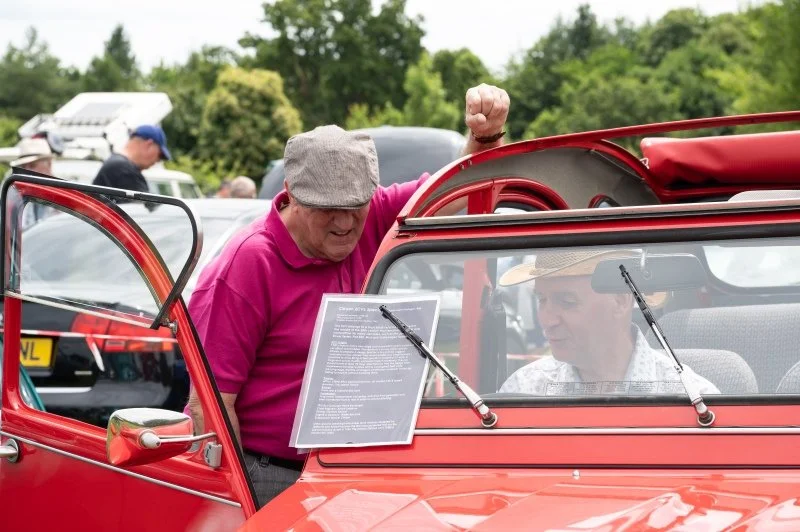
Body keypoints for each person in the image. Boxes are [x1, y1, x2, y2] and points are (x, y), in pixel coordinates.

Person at [186, 83, 510, 507]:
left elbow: (460, 195)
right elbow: (209, 406)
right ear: (294, 196)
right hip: (267, 474)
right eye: (327, 208)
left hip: (348, 468)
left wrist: (485, 137)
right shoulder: (246, 266)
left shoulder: (372, 215)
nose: (344, 223)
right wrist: (240, 504)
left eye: (354, 204)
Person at [497, 249, 720, 396]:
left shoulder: (690, 397)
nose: (547, 319)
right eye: (542, 300)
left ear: (620, 301)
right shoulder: (525, 388)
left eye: (567, 302)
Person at [92, 125, 171, 192]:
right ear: (149, 145)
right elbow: (148, 208)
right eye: (160, 155)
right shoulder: (124, 169)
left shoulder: (117, 164)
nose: (157, 161)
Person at [11, 137, 57, 229]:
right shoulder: (14, 197)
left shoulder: (65, 196)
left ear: (49, 164)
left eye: (32, 165)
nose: (27, 171)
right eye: (23, 166)